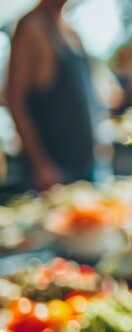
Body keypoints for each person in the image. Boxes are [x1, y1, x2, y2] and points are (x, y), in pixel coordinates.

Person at [6, 0, 97, 191]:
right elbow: (15, 100)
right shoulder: (31, 27)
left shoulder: (72, 31)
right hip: (54, 173)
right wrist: (41, 165)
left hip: (85, 164)